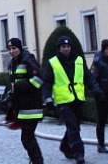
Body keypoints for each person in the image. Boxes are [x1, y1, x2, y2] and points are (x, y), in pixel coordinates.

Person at [41, 36, 104, 164]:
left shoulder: (79, 60)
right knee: (73, 126)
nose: (66, 49)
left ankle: (65, 145)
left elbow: (88, 77)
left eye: (68, 46)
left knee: (74, 126)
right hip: (63, 100)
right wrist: (48, 98)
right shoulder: (52, 62)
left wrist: (97, 89)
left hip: (78, 99)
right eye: (63, 47)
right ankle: (79, 154)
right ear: (59, 48)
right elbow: (47, 82)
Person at [5, 38, 44, 164]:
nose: (12, 51)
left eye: (14, 48)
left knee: (27, 138)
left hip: (31, 107)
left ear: (20, 48)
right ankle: (35, 160)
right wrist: (9, 97)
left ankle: (37, 161)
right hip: (22, 107)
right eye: (9, 49)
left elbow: (38, 80)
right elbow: (13, 84)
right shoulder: (12, 64)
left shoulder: (28, 61)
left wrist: (18, 86)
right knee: (28, 137)